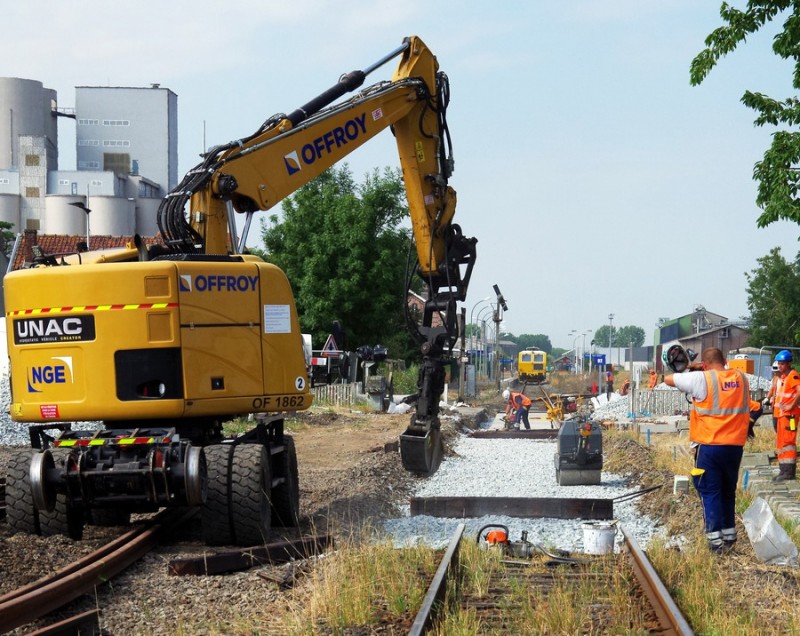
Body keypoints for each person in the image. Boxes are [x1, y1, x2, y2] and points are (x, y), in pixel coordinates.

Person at [664, 347, 750, 554]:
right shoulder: (741, 378)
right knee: (728, 491)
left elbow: (669, 379)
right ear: (726, 360)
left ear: (704, 364)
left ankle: (715, 543)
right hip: (735, 447)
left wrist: (692, 368)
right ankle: (729, 537)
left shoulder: (702, 379)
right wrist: (700, 367)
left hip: (709, 447)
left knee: (709, 491)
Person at [771, 350, 800, 481]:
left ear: (788, 364)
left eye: (782, 364)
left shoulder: (793, 376)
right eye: (779, 363)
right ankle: (784, 471)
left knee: (788, 442)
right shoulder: (784, 378)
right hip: (783, 415)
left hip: (790, 416)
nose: (780, 366)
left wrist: (791, 405)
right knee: (782, 443)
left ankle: (789, 472)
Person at [764, 361, 781, 433]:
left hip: (785, 408)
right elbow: (772, 389)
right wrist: (767, 397)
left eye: (776, 371)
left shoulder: (786, 379)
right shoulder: (775, 379)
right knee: (775, 424)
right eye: (774, 372)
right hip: (775, 406)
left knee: (786, 426)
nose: (775, 373)